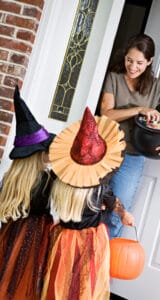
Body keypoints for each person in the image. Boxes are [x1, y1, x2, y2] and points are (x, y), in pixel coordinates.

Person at [100, 33, 160, 238]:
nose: (132, 66)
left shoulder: (157, 87)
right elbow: (106, 114)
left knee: (117, 215)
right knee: (93, 204)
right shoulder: (114, 79)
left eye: (139, 62)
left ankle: (100, 264)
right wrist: (139, 109)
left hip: (133, 157)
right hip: (105, 151)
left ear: (149, 61)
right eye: (129, 60)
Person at [41, 107, 134, 300]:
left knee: (60, 279)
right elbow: (114, 203)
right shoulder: (100, 188)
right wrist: (124, 214)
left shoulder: (59, 181)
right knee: (84, 283)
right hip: (90, 240)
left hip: (63, 237)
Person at [0, 85, 55, 299]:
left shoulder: (11, 178)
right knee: (23, 283)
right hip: (33, 240)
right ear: (38, 154)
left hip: (9, 235)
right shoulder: (46, 180)